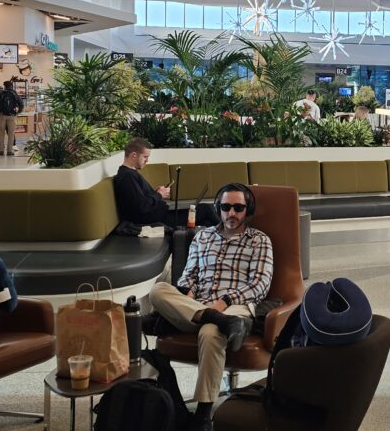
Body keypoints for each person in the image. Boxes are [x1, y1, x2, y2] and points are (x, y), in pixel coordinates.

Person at [149, 183, 273, 431]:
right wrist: (188, 291)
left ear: (247, 210)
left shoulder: (259, 241)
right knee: (158, 290)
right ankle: (214, 318)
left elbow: (261, 283)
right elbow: (188, 275)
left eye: (238, 207)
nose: (232, 213)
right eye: (226, 207)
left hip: (235, 306)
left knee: (210, 331)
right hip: (198, 304)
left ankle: (203, 414)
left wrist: (224, 302)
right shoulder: (203, 236)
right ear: (219, 208)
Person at [112, 138, 172, 225]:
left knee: (195, 211)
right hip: (156, 220)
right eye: (145, 157)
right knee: (197, 213)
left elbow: (140, 199)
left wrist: (157, 193)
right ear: (134, 155)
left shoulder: (130, 174)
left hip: (160, 215)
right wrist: (159, 195)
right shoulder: (128, 176)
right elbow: (141, 207)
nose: (147, 161)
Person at [0, 81, 23, 156]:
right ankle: (9, 151)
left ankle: (1, 151)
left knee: (1, 133)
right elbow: (21, 104)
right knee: (11, 134)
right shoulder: (14, 93)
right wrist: (18, 112)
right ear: (11, 86)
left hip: (1, 116)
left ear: (4, 86)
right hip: (11, 116)